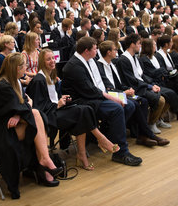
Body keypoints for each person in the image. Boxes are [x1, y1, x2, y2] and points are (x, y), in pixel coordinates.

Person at [0, 52, 63, 199]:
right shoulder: (3, 86)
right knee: (37, 116)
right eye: (24, 66)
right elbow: (25, 104)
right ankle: (44, 162)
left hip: (11, 123)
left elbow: (23, 105)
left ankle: (44, 162)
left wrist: (19, 113)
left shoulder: (15, 81)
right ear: (16, 68)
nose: (26, 68)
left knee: (36, 117)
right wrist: (22, 110)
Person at [26, 49, 119, 170]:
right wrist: (57, 104)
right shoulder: (39, 80)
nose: (52, 61)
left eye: (53, 58)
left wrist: (61, 99)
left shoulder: (50, 76)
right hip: (48, 117)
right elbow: (39, 108)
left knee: (85, 110)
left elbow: (50, 99)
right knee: (82, 112)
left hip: (55, 111)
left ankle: (82, 154)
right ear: (42, 62)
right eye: (48, 59)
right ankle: (101, 140)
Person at [61, 36, 142, 166]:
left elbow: (99, 84)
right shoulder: (74, 66)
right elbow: (89, 90)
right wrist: (111, 97)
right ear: (87, 51)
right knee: (117, 108)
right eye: (95, 48)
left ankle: (107, 137)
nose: (97, 51)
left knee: (129, 105)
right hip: (81, 102)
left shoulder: (87, 60)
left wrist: (115, 94)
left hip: (91, 97)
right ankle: (121, 152)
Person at [96, 41, 169, 147]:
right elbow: (106, 88)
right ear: (108, 52)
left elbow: (118, 84)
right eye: (115, 50)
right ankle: (148, 135)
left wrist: (127, 90)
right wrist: (124, 92)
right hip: (110, 96)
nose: (117, 51)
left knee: (142, 101)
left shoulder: (112, 64)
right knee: (135, 103)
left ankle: (142, 135)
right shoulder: (100, 66)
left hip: (118, 93)